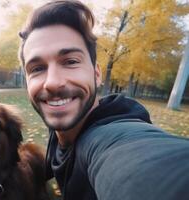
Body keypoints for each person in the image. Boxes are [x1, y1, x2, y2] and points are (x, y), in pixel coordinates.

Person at [18, 1, 189, 200]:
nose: (53, 83)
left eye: (71, 62)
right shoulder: (61, 125)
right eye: (37, 68)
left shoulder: (109, 137)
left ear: (96, 74)